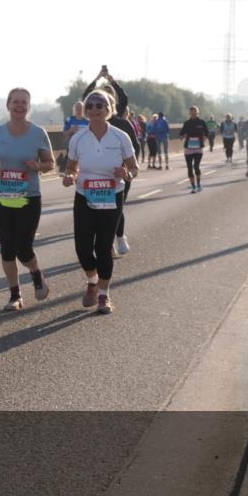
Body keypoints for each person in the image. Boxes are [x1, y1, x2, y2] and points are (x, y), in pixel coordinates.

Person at [62, 89, 139, 315]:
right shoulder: (78, 138)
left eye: (99, 105)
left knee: (103, 247)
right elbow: (71, 168)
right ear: (85, 111)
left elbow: (134, 168)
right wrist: (70, 177)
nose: (94, 109)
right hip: (84, 196)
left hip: (111, 195)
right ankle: (93, 281)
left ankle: (104, 295)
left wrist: (126, 174)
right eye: (90, 106)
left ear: (108, 109)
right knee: (83, 248)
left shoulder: (120, 136)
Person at [0, 88, 55, 311]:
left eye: (24, 102)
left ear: (29, 106)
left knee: (23, 248)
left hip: (28, 198)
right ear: (8, 105)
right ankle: (15, 295)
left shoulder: (38, 133)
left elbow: (50, 163)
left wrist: (38, 166)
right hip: (3, 197)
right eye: (15, 102)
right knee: (7, 248)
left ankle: (36, 273)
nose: (19, 106)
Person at [82, 69, 138, 255]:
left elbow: (135, 148)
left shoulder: (122, 123)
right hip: (96, 176)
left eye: (104, 100)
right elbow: (86, 96)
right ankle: (106, 242)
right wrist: (97, 78)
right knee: (97, 208)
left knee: (115, 207)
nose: (97, 106)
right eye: (94, 102)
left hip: (119, 174)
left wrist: (128, 169)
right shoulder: (90, 123)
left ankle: (119, 237)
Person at [178, 106, 209, 193]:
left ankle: (198, 184)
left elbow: (207, 132)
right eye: (191, 112)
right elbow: (181, 134)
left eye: (194, 111)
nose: (193, 113)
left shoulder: (202, 122)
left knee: (196, 166)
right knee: (189, 167)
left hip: (198, 148)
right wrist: (182, 136)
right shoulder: (187, 123)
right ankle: (193, 186)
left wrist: (204, 138)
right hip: (188, 148)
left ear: (197, 112)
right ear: (189, 113)